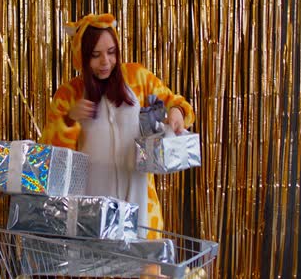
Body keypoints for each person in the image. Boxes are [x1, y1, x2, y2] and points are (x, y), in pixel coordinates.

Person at [40, 13, 195, 241]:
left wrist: (177, 112)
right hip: (91, 214)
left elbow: (176, 102)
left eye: (111, 52)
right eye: (95, 55)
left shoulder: (138, 77)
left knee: (146, 270)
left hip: (141, 205)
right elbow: (50, 153)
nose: (106, 62)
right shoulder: (68, 94)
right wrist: (70, 121)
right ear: (81, 57)